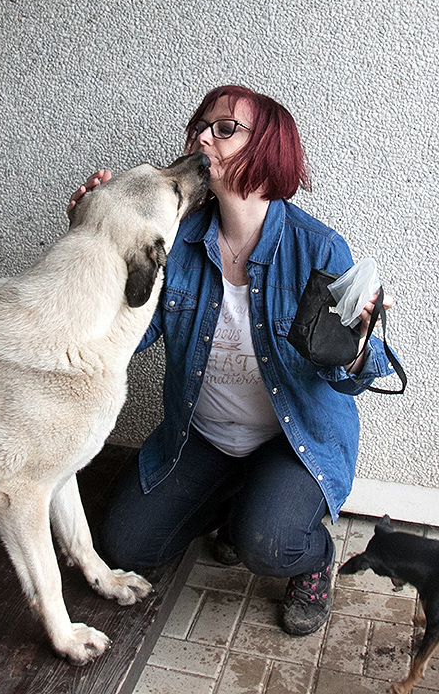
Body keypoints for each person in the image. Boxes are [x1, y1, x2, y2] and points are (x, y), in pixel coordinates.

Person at [67, 85, 397, 636]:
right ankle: (238, 500)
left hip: (290, 442)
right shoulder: (176, 242)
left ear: (267, 149)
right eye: (199, 126)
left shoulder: (317, 249)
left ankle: (313, 559)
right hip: (204, 437)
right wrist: (94, 236)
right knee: (126, 545)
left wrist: (358, 347)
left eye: (224, 129)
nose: (202, 137)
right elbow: (128, 337)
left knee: (267, 543)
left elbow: (354, 373)